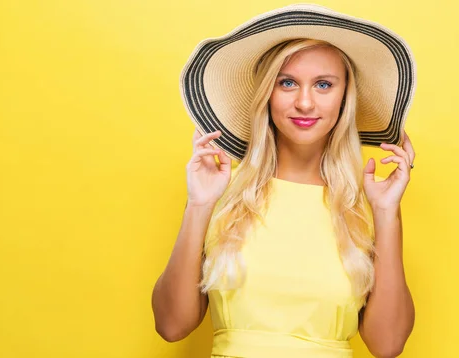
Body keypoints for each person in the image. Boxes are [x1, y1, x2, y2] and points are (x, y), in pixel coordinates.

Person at [151, 4, 416, 358]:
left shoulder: (366, 209)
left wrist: (387, 213)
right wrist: (198, 205)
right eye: (287, 83)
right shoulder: (221, 195)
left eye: (323, 84)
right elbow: (171, 326)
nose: (304, 102)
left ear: (344, 98)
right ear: (267, 94)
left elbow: (388, 345)